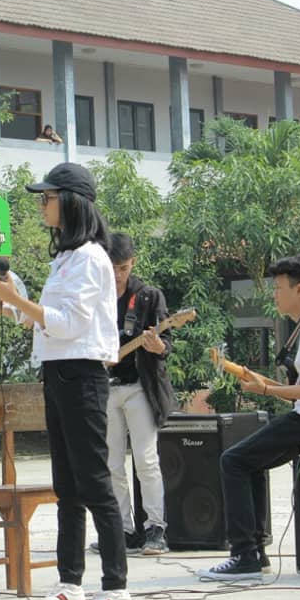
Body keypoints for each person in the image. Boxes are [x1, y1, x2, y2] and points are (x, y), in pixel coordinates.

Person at [0, 162, 132, 600]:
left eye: (48, 198)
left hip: (82, 374)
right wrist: (9, 308)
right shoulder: (67, 258)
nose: (42, 205)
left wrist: (17, 301)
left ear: (72, 202)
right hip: (58, 373)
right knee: (67, 487)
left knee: (94, 483)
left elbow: (69, 325)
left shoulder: (90, 257)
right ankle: (71, 583)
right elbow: (48, 321)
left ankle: (117, 589)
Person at [197, 254, 300, 581]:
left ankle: (245, 556)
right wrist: (273, 385)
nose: (274, 295)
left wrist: (266, 390)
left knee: (232, 461)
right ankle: (255, 554)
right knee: (249, 462)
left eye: (278, 288)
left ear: (299, 290)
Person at [99, 233, 175, 557]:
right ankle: (124, 529)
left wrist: (157, 346)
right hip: (106, 387)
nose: (118, 275)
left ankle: (156, 527)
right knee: (112, 463)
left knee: (146, 459)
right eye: (113, 268)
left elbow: (167, 344)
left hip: (138, 387)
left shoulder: (147, 297)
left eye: (124, 268)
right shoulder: (96, 296)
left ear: (133, 264)